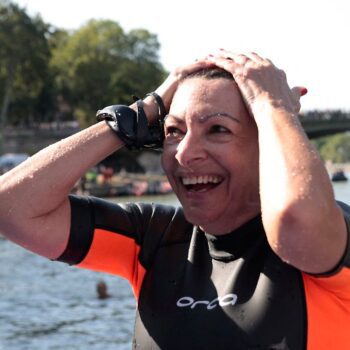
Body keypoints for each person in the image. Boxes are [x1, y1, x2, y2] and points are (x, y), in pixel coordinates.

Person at [0, 50, 349, 350]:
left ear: (266, 144)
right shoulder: (155, 238)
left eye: (218, 130)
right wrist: (139, 114)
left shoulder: (331, 239)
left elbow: (296, 223)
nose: (184, 153)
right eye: (173, 131)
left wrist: (273, 108)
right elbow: (11, 207)